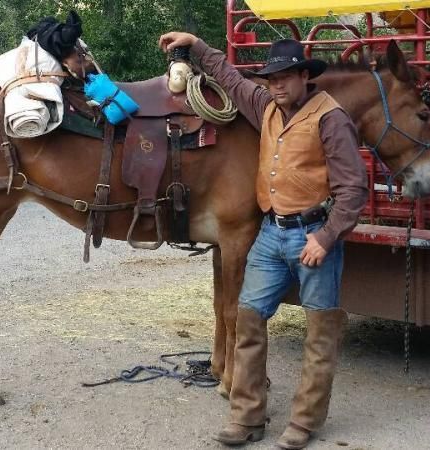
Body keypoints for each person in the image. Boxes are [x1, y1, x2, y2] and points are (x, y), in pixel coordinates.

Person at [158, 32, 369, 449]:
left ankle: (304, 423)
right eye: (271, 77)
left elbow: (353, 189)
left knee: (319, 332)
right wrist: (196, 46)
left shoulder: (331, 118)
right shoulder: (266, 106)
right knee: (249, 319)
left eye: (286, 76)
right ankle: (247, 416)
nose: (277, 84)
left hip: (313, 236)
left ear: (304, 77)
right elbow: (229, 76)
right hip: (272, 234)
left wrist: (326, 238)